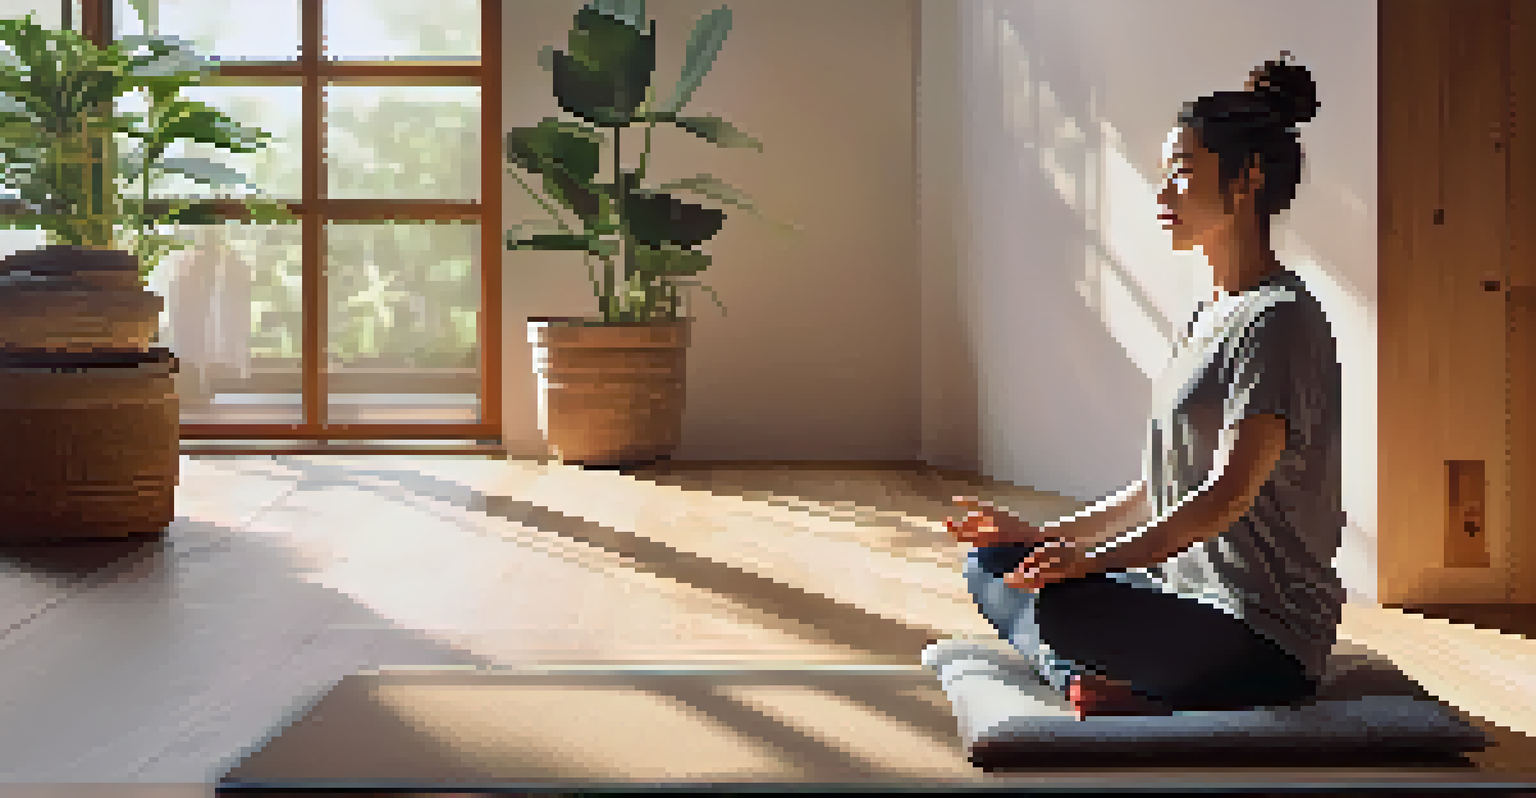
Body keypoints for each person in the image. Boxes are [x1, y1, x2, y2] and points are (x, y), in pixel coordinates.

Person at [946, 53, 1345, 721]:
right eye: (1164, 175)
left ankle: (1112, 679)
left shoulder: (1277, 321)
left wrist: (1084, 563)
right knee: (995, 564)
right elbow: (1155, 489)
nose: (1163, 195)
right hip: (1185, 599)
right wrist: (1049, 536)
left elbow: (1225, 496)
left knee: (1059, 602)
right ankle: (1096, 678)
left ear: (1247, 179)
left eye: (1183, 173)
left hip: (1259, 635)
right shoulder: (1207, 314)